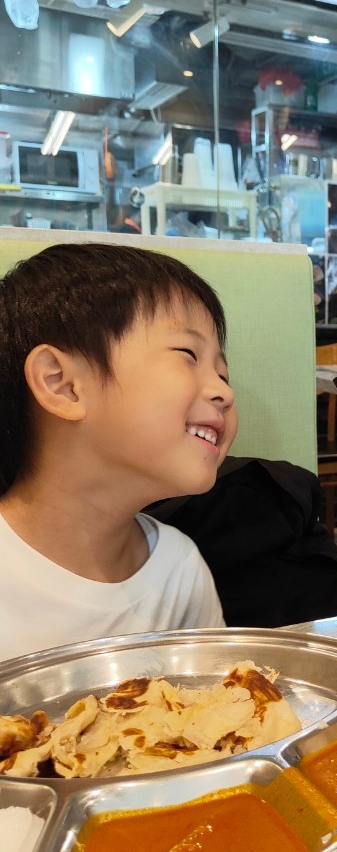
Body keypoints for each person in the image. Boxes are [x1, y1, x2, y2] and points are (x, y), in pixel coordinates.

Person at [0, 242, 238, 660]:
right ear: (62, 384)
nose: (224, 392)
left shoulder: (178, 568)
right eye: (188, 354)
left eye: (222, 373)